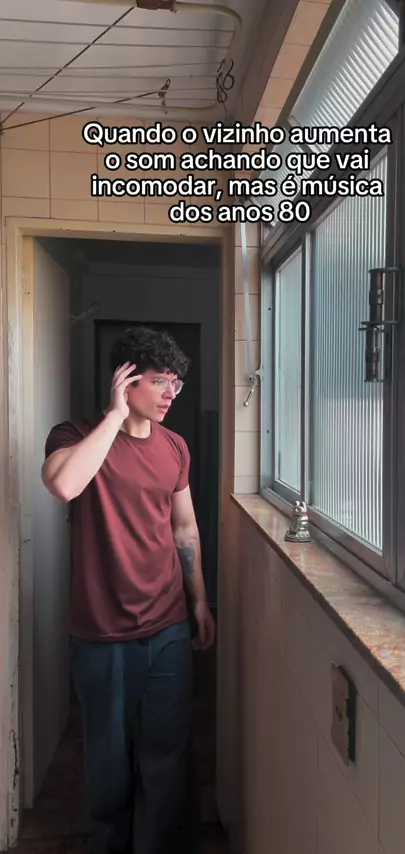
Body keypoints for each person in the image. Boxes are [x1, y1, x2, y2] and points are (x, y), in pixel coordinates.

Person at [41, 325, 216, 854]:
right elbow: (64, 484)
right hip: (103, 635)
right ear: (126, 379)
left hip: (167, 627)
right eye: (160, 381)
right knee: (108, 765)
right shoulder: (73, 435)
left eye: (177, 384)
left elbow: (184, 529)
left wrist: (199, 602)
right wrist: (115, 416)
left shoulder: (175, 446)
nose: (171, 394)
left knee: (165, 758)